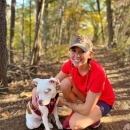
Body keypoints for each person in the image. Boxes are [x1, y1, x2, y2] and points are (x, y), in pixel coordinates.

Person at [32, 35, 115, 130]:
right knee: (65, 83)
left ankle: (93, 118)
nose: (76, 56)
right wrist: (36, 90)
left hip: (103, 101)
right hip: (87, 97)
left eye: (82, 51)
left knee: (75, 124)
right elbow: (53, 82)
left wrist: (65, 103)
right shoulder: (70, 64)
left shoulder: (98, 72)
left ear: (90, 54)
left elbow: (86, 109)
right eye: (74, 51)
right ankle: (77, 112)